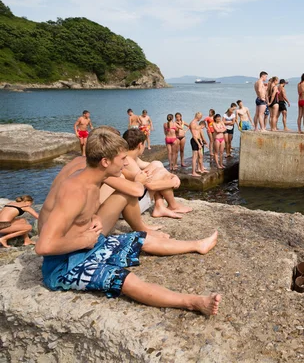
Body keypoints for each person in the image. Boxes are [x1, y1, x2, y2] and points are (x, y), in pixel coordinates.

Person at [35, 128, 221, 315]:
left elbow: (81, 213)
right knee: (126, 280)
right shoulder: (75, 190)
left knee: (141, 239)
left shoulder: (96, 178)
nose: (126, 163)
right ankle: (194, 302)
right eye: (123, 159)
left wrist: (94, 219)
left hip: (86, 247)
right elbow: (43, 246)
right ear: (105, 162)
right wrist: (84, 241)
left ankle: (198, 245)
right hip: (65, 265)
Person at [123, 128, 193, 218]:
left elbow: (155, 165)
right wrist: (172, 182)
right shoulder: (129, 162)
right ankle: (173, 205)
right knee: (160, 173)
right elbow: (150, 185)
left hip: (133, 201)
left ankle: (160, 206)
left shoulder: (131, 157)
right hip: (134, 207)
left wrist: (173, 175)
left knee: (157, 163)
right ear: (140, 145)